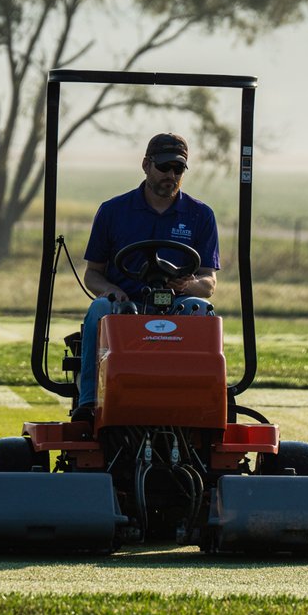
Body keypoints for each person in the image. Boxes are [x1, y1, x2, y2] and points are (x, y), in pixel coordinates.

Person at [75, 132, 220, 419]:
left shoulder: (199, 215)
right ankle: (89, 403)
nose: (171, 175)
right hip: (126, 304)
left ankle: (205, 403)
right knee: (99, 309)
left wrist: (190, 285)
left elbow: (209, 282)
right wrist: (112, 291)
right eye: (164, 167)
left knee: (202, 310)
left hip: (176, 304)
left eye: (178, 169)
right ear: (146, 165)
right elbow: (93, 274)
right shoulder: (114, 211)